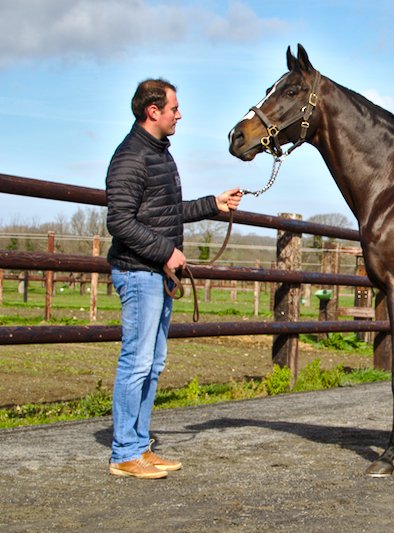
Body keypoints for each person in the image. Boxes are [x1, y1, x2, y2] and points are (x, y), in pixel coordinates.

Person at [105, 79, 241, 479]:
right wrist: (166, 251)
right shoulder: (131, 157)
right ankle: (124, 454)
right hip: (139, 273)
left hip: (155, 274)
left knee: (153, 363)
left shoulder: (157, 153)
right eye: (174, 108)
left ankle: (139, 446)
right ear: (153, 111)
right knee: (137, 362)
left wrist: (213, 204)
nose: (179, 115)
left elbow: (166, 212)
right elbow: (119, 221)